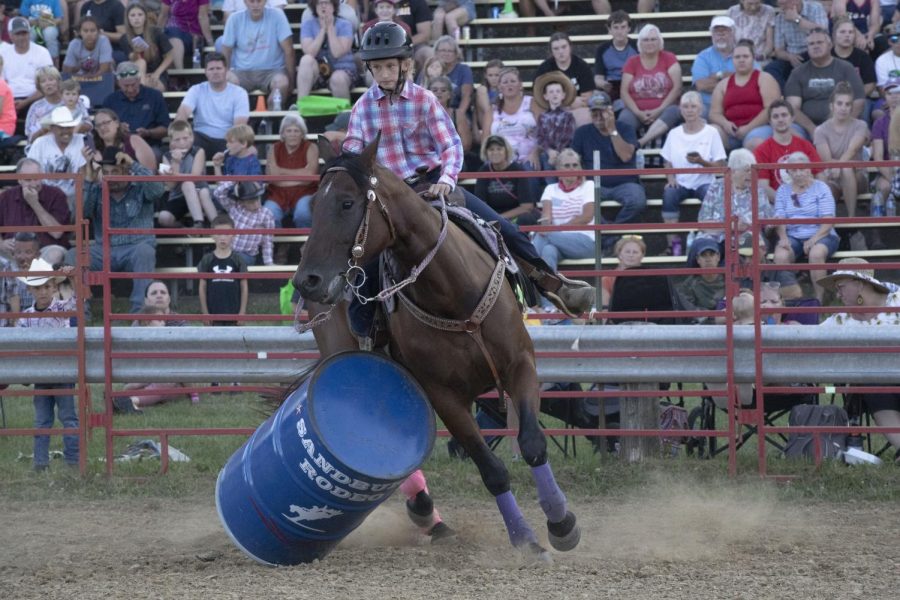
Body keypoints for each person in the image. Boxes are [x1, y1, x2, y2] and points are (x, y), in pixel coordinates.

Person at [346, 22, 593, 325]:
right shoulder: (362, 108)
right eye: (377, 67)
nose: (383, 73)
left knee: (503, 228)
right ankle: (361, 331)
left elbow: (451, 145)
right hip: (387, 196)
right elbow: (353, 154)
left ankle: (551, 283)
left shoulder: (425, 100)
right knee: (360, 256)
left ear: (406, 64)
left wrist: (446, 181)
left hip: (431, 185)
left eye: (389, 65)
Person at [817, 268, 900, 458]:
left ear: (860, 284)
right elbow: (806, 339)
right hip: (876, 384)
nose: (838, 294)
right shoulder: (838, 321)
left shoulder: (897, 301)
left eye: (841, 287)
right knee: (872, 384)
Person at [73, 147, 164, 313]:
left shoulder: (140, 187)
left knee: (145, 252)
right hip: (104, 249)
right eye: (107, 172)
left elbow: (158, 190)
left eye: (116, 171)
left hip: (136, 246)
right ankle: (79, 311)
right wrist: (89, 182)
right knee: (73, 255)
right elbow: (81, 214)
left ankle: (140, 314)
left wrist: (134, 164)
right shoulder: (97, 189)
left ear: (127, 171)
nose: (111, 177)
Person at [16, 257, 79, 471]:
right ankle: (40, 463)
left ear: (54, 287)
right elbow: (21, 345)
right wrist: (26, 372)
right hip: (42, 375)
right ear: (31, 291)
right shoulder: (25, 317)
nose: (42, 292)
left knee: (68, 417)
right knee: (42, 420)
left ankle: (73, 460)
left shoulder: (62, 308)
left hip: (62, 373)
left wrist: (74, 278)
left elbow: (79, 301)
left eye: (46, 286)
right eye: (37, 288)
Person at [570, 90, 647, 253]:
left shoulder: (625, 128)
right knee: (579, 200)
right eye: (594, 112)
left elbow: (626, 156)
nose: (598, 116)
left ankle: (610, 237)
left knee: (637, 199)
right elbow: (574, 160)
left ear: (610, 111)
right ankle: (613, 236)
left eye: (602, 112)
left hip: (625, 183)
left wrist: (612, 129)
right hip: (593, 184)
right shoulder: (582, 132)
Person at [660, 91, 727, 256]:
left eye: (693, 106)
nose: (689, 110)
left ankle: (711, 241)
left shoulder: (711, 132)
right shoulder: (674, 133)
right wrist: (671, 178)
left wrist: (701, 162)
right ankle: (673, 245)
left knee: (711, 195)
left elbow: (720, 166)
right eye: (685, 106)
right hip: (681, 181)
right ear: (680, 110)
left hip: (705, 181)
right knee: (669, 194)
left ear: (701, 109)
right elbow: (667, 160)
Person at [773, 151, 840, 301]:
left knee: (816, 254)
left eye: (802, 169)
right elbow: (779, 217)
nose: (798, 174)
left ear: (809, 169)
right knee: (780, 255)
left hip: (822, 233)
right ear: (788, 172)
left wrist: (813, 239)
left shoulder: (821, 187)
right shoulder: (783, 190)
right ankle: (791, 300)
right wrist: (783, 238)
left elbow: (828, 219)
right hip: (793, 234)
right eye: (794, 170)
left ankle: (818, 301)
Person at [532, 149, 596, 294]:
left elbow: (587, 216)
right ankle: (548, 303)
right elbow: (545, 219)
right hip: (556, 241)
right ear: (558, 169)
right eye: (567, 165)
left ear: (580, 168)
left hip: (585, 241)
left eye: (575, 165)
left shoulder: (588, 186)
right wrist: (546, 227)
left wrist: (554, 229)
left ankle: (527, 266)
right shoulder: (550, 189)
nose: (572, 169)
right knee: (548, 251)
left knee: (544, 235)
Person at [784, 27, 866, 139]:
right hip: (807, 127)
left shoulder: (846, 68)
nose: (815, 46)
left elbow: (858, 100)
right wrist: (812, 128)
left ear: (830, 45)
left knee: (862, 132)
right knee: (790, 132)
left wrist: (841, 125)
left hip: (843, 122)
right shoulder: (797, 73)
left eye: (820, 42)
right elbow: (793, 107)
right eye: (811, 44)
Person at [708, 39, 782, 151]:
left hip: (758, 128)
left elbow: (771, 109)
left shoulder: (764, 78)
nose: (741, 60)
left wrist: (748, 128)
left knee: (754, 143)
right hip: (731, 131)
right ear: (732, 60)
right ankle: (720, 167)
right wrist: (725, 123)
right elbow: (714, 113)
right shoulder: (723, 84)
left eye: (745, 56)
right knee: (712, 132)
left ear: (753, 58)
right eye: (737, 57)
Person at [222, 0, 295, 109]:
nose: (255, 5)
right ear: (245, 2)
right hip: (242, 72)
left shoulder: (277, 15)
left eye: (259, 1)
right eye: (251, 1)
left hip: (273, 71)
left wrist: (291, 80)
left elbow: (289, 50)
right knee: (227, 80)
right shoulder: (234, 19)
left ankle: (271, 121)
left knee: (282, 83)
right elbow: (226, 50)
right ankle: (239, 118)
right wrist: (226, 72)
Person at [619, 24, 683, 148]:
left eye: (653, 39)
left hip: (665, 109)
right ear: (640, 43)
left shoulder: (669, 58)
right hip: (636, 110)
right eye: (645, 40)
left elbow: (677, 88)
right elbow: (624, 92)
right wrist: (638, 113)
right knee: (624, 120)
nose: (649, 43)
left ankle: (642, 142)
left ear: (660, 42)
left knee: (674, 111)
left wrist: (659, 110)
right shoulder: (632, 62)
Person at [175, 52, 251, 156]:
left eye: (219, 68)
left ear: (226, 70)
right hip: (200, 137)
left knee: (247, 150)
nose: (215, 72)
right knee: (185, 142)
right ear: (205, 72)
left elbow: (239, 125)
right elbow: (182, 114)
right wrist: (180, 136)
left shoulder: (239, 93)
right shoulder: (196, 90)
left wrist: (231, 143)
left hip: (227, 139)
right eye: (211, 69)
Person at [813, 81, 870, 219]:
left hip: (858, 176)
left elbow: (852, 149)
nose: (843, 108)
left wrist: (840, 165)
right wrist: (837, 167)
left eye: (847, 104)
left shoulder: (860, 125)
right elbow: (826, 160)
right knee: (824, 188)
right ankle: (829, 229)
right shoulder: (820, 130)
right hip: (832, 175)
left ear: (851, 107)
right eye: (839, 103)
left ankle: (851, 219)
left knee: (846, 168)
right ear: (831, 106)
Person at [698, 148, 771, 245]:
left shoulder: (759, 192)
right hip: (716, 239)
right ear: (733, 172)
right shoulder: (716, 187)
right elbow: (702, 223)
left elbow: (766, 224)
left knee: (747, 245)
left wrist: (770, 226)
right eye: (747, 170)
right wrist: (729, 226)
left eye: (753, 170)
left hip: (746, 241)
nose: (751, 174)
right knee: (702, 246)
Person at [753, 100, 823, 201]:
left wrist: (808, 200)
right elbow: (763, 186)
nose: (780, 119)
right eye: (775, 116)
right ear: (770, 121)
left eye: (784, 115)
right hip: (777, 206)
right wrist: (789, 203)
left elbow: (820, 176)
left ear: (792, 118)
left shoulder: (805, 146)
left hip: (807, 203)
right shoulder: (761, 150)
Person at [0, 158, 70, 251]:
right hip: (13, 251)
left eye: (37, 178)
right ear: (19, 179)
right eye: (28, 180)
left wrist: (34, 203)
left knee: (55, 253)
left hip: (44, 250)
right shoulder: (5, 197)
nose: (34, 184)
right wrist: (1, 243)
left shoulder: (56, 195)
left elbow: (57, 233)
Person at [26, 105, 87, 212]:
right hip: (45, 200)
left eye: (69, 127)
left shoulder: (84, 140)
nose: (66, 131)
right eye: (61, 127)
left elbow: (90, 172)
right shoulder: (40, 143)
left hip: (78, 201)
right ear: (52, 128)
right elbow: (28, 172)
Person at [102, 61, 171, 156]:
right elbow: (102, 128)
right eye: (126, 86)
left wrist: (148, 132)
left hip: (149, 145)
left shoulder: (154, 96)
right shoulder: (110, 100)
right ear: (118, 83)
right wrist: (117, 129)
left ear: (139, 80)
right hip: (120, 146)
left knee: (155, 155)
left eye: (133, 85)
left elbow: (165, 128)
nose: (130, 89)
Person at [265, 113, 319, 233]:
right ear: (283, 134)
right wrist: (300, 176)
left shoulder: (311, 147)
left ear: (302, 133)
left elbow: (310, 177)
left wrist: (281, 172)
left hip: (305, 193)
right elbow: (272, 178)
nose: (293, 134)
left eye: (296, 131)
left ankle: (305, 246)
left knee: (303, 214)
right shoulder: (274, 148)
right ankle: (280, 246)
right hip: (277, 194)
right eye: (289, 131)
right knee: (269, 214)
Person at [158, 119, 216, 229]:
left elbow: (195, 177)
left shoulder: (199, 151)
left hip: (198, 191)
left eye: (185, 138)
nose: (182, 143)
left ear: (192, 137)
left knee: (188, 184)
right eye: (177, 139)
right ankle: (184, 228)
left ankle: (201, 223)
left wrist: (174, 173)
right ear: (171, 141)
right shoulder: (165, 156)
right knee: (163, 218)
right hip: (178, 196)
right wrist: (175, 162)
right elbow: (170, 185)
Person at [296, 0, 357, 101]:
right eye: (320, 3)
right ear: (315, 6)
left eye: (327, 2)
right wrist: (322, 30)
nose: (323, 6)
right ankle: (300, 104)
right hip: (319, 70)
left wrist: (330, 28)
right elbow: (310, 52)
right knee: (306, 60)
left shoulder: (345, 24)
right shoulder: (308, 24)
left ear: (333, 6)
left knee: (338, 79)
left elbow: (337, 53)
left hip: (343, 70)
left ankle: (345, 115)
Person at [764, 0, 829, 89]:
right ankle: (786, 95)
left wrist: (797, 19)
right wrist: (789, 57)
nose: (782, 8)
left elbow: (823, 33)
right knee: (770, 69)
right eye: (779, 5)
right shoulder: (779, 18)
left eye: (784, 4)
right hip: (791, 56)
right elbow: (779, 51)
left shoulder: (815, 8)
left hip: (813, 52)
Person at [483, 67, 539, 168]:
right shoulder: (492, 110)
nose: (509, 85)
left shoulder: (532, 103)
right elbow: (485, 140)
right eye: (505, 82)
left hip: (528, 158)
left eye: (513, 81)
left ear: (520, 85)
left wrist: (535, 153)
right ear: (499, 87)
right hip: (499, 160)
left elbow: (544, 132)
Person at [474, 134, 538, 223]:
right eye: (491, 149)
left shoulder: (518, 170)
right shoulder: (483, 171)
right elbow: (480, 204)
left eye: (499, 149)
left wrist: (501, 218)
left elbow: (527, 206)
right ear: (486, 152)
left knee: (526, 218)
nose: (495, 152)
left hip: (514, 216)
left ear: (506, 151)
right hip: (492, 216)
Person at [198, 213, 248, 325]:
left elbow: (244, 286)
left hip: (233, 311)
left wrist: (242, 312)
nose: (222, 237)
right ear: (212, 235)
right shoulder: (207, 259)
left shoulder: (238, 259)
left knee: (235, 341)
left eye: (226, 233)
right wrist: (205, 312)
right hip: (213, 311)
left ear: (233, 234)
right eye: (219, 233)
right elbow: (202, 287)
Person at [534, 32, 594, 123]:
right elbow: (538, 97)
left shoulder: (582, 66)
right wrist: (568, 103)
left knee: (587, 115)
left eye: (564, 47)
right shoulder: (544, 69)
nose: (561, 51)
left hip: (576, 110)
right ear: (551, 51)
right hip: (551, 109)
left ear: (570, 47)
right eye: (556, 49)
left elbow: (586, 99)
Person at [211, 180, 275, 266]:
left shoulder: (266, 214)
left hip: (247, 255)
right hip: (227, 250)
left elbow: (267, 241)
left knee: (229, 262)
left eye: (257, 199)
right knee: (212, 261)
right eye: (251, 202)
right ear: (242, 201)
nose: (256, 204)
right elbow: (218, 193)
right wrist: (235, 180)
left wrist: (268, 263)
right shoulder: (235, 207)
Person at [0, 16, 53, 112]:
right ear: (10, 35)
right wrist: (9, 101)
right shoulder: (3, 53)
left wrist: (27, 101)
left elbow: (49, 84)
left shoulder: (42, 52)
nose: (21, 37)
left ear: (29, 33)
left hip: (36, 99)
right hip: (8, 99)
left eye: (24, 33)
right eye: (17, 34)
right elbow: (2, 83)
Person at [691, 15, 741, 115]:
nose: (720, 34)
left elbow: (752, 81)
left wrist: (715, 78)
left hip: (738, 104)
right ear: (712, 35)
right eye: (716, 32)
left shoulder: (744, 54)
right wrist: (724, 75)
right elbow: (701, 85)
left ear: (733, 33)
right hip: (708, 106)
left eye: (724, 31)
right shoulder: (703, 57)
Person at [118, 2, 174, 92]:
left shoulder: (156, 32)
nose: (136, 18)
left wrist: (157, 73)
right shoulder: (124, 38)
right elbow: (132, 60)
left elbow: (170, 56)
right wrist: (137, 52)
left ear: (145, 17)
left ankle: (142, 90)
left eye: (140, 15)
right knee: (141, 62)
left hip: (157, 73)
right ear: (127, 18)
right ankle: (142, 89)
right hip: (135, 77)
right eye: (132, 15)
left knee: (154, 87)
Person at [533, 71, 577, 173]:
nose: (555, 94)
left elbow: (568, 136)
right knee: (544, 158)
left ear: (563, 95)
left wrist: (557, 153)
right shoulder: (542, 117)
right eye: (551, 92)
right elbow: (540, 137)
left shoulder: (568, 116)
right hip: (548, 154)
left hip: (564, 152)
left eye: (558, 91)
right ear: (545, 96)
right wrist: (549, 151)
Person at [91, 107, 157, 171]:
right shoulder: (94, 150)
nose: (102, 127)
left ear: (116, 123)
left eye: (106, 123)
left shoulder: (134, 141)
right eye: (98, 125)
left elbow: (150, 172)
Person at [593, 10, 638, 104]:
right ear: (609, 30)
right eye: (616, 28)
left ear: (629, 28)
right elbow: (598, 78)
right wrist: (604, 84)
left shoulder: (637, 46)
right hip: (611, 88)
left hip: (633, 87)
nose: (619, 31)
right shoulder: (602, 49)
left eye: (623, 27)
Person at [675, 236, 725, 316]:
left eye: (711, 254)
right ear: (698, 259)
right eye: (704, 255)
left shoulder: (728, 279)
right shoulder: (690, 284)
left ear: (718, 257)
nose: (708, 259)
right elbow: (686, 309)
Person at [159, 0, 214, 70]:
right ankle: (180, 72)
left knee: (196, 39)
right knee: (174, 37)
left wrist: (210, 42)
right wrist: (156, 37)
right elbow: (163, 15)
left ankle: (193, 66)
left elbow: (203, 17)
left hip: (194, 31)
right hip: (174, 29)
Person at [599, 234, 645, 311]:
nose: (631, 255)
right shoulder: (607, 279)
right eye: (627, 252)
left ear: (642, 255)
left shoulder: (650, 277)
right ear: (619, 254)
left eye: (635, 252)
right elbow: (604, 309)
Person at [432, 35, 473, 120]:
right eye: (443, 50)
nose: (446, 53)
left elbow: (466, 95)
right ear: (436, 52)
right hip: (431, 113)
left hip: (457, 112)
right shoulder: (429, 68)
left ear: (456, 54)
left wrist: (458, 116)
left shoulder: (463, 69)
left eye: (450, 51)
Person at [20, 0, 62, 66]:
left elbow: (59, 19)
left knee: (49, 34)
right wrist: (35, 22)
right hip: (32, 24)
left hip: (49, 24)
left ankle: (53, 65)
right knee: (30, 34)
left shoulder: (54, 1)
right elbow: (23, 19)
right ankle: (29, 63)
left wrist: (49, 23)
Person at [474, 58, 502, 140]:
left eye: (497, 75)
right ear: (486, 76)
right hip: (486, 124)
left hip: (502, 122)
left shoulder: (507, 89)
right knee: (481, 90)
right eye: (490, 75)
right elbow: (475, 113)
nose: (494, 78)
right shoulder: (482, 90)